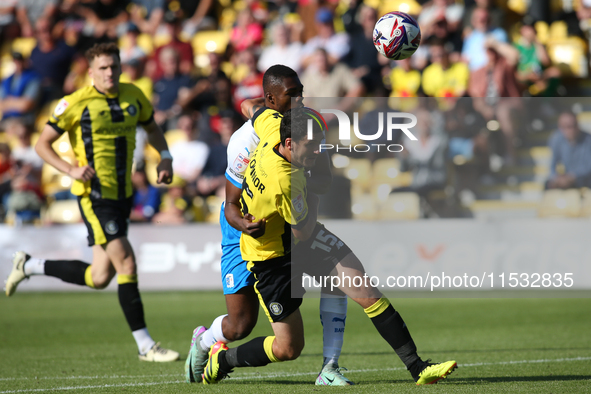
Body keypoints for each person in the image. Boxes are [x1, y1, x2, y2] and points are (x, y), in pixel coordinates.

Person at [201, 107, 457, 385]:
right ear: (290, 144)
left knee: (365, 289)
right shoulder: (286, 181)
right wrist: (316, 194)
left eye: (320, 143)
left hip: (294, 237)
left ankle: (415, 367)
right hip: (272, 255)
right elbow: (305, 230)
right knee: (288, 348)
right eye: (311, 146)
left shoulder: (273, 125)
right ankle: (222, 359)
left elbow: (255, 108)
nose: (318, 151)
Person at [4, 43, 180, 362]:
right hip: (94, 195)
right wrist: (70, 169)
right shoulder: (75, 102)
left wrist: (165, 158)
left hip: (123, 194)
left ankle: (29, 265)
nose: (109, 72)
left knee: (100, 277)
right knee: (126, 262)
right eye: (103, 68)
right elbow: (43, 144)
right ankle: (145, 345)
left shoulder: (134, 96)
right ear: (90, 72)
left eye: (114, 66)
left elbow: (153, 129)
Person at [185, 65, 353, 386]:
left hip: (283, 235)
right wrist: (245, 225)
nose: (300, 99)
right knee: (240, 324)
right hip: (243, 230)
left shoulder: (298, 127)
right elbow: (231, 203)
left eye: (301, 91)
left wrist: (313, 162)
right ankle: (205, 342)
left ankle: (330, 366)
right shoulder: (244, 145)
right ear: (272, 100)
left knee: (338, 279)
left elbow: (250, 107)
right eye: (292, 95)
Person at [547, 110, 591, 189]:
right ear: (560, 127)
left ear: (577, 125)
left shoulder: (588, 139)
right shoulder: (556, 139)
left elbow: (588, 167)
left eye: (572, 125)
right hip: (566, 178)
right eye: (565, 126)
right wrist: (556, 178)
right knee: (548, 184)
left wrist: (572, 176)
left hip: (583, 178)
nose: (570, 130)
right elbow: (552, 164)